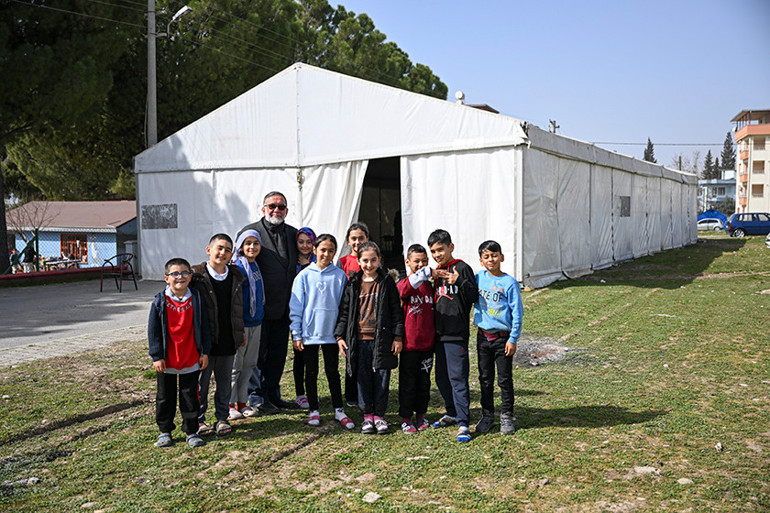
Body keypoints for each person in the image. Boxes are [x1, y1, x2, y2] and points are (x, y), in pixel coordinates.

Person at [239, 191, 299, 414]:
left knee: (277, 355)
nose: (276, 210)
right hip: (259, 309)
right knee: (257, 356)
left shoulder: (293, 234)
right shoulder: (250, 233)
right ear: (263, 208)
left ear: (286, 210)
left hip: (284, 308)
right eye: (272, 206)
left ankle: (273, 393)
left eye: (281, 207)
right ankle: (255, 397)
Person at [335, 242, 404, 435]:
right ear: (358, 261)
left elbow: (396, 312)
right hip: (359, 339)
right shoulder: (353, 283)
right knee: (362, 376)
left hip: (382, 338)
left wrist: (398, 336)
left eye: (373, 260)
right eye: (365, 260)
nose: (369, 264)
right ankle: (367, 415)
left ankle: (380, 415)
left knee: (382, 376)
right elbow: (345, 311)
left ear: (379, 260)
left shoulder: (387, 283)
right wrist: (340, 336)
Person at [289, 234, 354, 429]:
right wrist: (296, 333)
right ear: (315, 250)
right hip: (309, 334)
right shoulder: (303, 276)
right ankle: (314, 410)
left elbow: (344, 306)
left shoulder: (340, 276)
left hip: (331, 334)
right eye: (322, 249)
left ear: (335, 252)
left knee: (332, 372)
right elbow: (296, 307)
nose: (326, 254)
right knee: (311, 372)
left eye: (331, 250)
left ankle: (339, 410)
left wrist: (340, 333)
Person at [148, 258, 211, 448]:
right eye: (175, 273)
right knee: (165, 397)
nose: (180, 277)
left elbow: (204, 327)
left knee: (190, 396)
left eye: (184, 273)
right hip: (167, 360)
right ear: (166, 278)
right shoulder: (160, 301)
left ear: (191, 276)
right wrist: (156, 355)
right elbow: (154, 331)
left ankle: (191, 431)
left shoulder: (197, 299)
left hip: (190, 356)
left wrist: (204, 352)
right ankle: (165, 431)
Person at [190, 234, 245, 437]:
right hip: (204, 341)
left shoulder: (236, 276)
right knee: (201, 383)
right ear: (209, 250)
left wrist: (241, 332)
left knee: (224, 382)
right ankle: (199, 419)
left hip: (228, 338)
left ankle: (222, 418)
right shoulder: (196, 276)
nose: (223, 253)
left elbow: (239, 308)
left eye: (228, 249)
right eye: (219, 248)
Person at [428, 229, 478, 442]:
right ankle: (452, 411)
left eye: (441, 249)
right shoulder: (436, 272)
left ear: (451, 247)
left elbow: (474, 296)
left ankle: (464, 423)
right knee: (441, 377)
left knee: (458, 378)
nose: (437, 254)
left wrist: (459, 282)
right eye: (433, 251)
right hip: (438, 334)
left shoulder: (462, 268)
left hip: (456, 334)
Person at [473, 241, 523, 435]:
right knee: (485, 379)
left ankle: (507, 415)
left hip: (503, 339)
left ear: (501, 257)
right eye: (486, 257)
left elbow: (517, 313)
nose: (491, 259)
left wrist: (513, 338)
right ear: (481, 261)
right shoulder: (478, 278)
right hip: (483, 338)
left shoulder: (509, 283)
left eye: (494, 255)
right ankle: (487, 415)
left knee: (504, 379)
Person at [396, 244, 436, 434]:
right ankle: (406, 418)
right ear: (407, 262)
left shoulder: (430, 286)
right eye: (416, 261)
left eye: (424, 261)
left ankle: (421, 415)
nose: (421, 265)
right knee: (408, 383)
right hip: (409, 346)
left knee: (424, 382)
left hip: (427, 344)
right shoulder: (405, 284)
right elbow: (402, 292)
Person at [228, 230, 265, 420]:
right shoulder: (237, 267)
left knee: (249, 365)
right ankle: (229, 404)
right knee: (235, 366)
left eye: (255, 243)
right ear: (240, 246)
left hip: (256, 322)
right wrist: (238, 326)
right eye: (247, 243)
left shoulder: (255, 265)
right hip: (241, 325)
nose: (252, 247)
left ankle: (243, 402)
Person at [338, 222, 370, 407]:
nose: (357, 242)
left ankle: (365, 392)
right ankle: (351, 395)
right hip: (351, 314)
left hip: (369, 314)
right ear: (349, 241)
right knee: (352, 356)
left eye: (361, 238)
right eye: (354, 239)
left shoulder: (373, 259)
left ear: (367, 238)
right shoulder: (343, 262)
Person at [292, 227, 317, 409]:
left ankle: (312, 391)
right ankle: (300, 393)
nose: (305, 245)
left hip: (317, 314)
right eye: (301, 242)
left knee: (315, 358)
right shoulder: (292, 261)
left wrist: (307, 265)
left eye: (308, 242)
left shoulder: (318, 261)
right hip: (300, 312)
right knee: (300, 355)